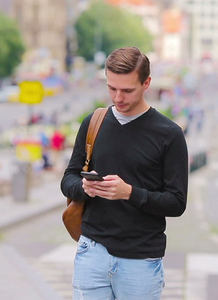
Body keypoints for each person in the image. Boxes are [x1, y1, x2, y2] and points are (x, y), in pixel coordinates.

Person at [60, 47, 188, 300]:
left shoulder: (168, 134)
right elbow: (68, 180)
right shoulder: (93, 122)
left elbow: (176, 203)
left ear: (146, 83)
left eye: (127, 90)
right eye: (111, 88)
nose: (118, 97)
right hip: (92, 252)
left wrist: (129, 193)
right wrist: (84, 188)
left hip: (140, 261)